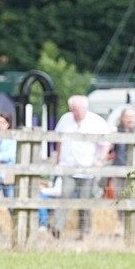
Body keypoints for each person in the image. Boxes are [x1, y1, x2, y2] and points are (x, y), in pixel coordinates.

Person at [52, 94, 111, 240]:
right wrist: (58, 159)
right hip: (68, 166)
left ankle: (85, 232)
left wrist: (99, 160)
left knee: (85, 200)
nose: (74, 113)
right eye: (72, 110)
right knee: (64, 195)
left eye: (76, 110)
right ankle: (57, 228)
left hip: (87, 168)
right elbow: (58, 140)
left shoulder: (96, 121)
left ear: (84, 108)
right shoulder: (65, 119)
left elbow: (106, 143)